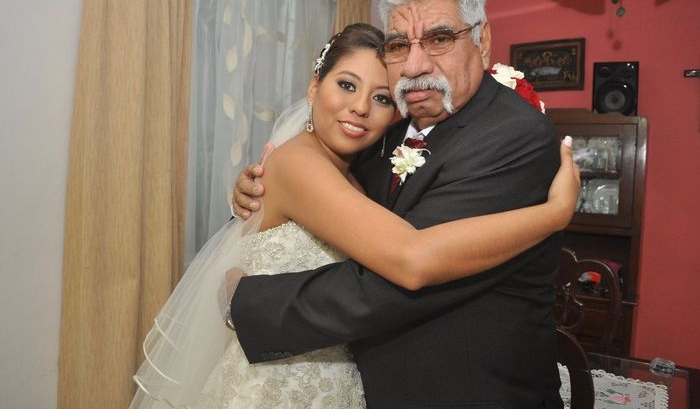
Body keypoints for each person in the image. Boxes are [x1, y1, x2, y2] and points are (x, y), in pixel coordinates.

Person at [130, 22, 578, 408]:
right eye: (346, 85)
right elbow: (410, 254)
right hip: (280, 384)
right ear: (314, 87)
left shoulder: (362, 169)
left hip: (342, 380)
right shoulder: (299, 164)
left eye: (381, 97)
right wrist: (554, 214)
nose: (361, 107)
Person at [230, 0, 572, 408]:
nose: (414, 65)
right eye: (397, 45)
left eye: (439, 39)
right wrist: (258, 198)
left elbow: (400, 277)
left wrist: (246, 303)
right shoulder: (382, 135)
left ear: (482, 40)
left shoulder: (512, 135)